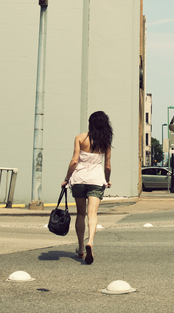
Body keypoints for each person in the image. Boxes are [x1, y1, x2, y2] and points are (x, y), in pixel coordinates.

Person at [63, 111, 112, 264]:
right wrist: (107, 180)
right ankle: (90, 241)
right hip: (96, 180)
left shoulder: (80, 138)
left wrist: (66, 179)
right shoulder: (105, 143)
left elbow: (74, 161)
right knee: (92, 214)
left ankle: (80, 247)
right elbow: (108, 166)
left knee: (80, 214)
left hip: (79, 179)